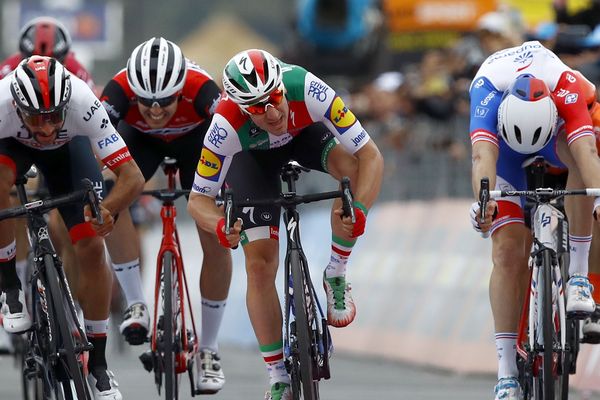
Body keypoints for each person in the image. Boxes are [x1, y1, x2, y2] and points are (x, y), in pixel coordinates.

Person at [187, 49, 384, 400]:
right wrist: (221, 227)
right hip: (252, 161)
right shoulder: (225, 126)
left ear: (282, 85)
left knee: (351, 176)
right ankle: (277, 375)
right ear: (242, 108)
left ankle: (336, 271)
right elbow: (198, 200)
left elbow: (370, 156)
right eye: (258, 107)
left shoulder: (309, 88)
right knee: (259, 264)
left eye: (275, 98)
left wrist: (360, 211)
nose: (272, 112)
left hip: (304, 136)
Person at [0, 56, 144, 400]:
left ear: (67, 105)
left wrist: (107, 211)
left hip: (69, 152)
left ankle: (97, 363)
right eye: (36, 119)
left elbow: (132, 177)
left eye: (54, 117)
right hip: (11, 149)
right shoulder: (2, 103)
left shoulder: (82, 102)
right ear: (18, 109)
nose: (47, 129)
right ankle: (9, 289)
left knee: (92, 246)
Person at [468, 41, 600, 399]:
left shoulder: (566, 85)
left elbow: (587, 150)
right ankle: (506, 373)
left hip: (555, 140)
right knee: (507, 252)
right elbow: (483, 157)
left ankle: (578, 278)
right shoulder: (486, 90)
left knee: (584, 169)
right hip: (506, 153)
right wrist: (483, 204)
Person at [99, 37, 231, 393]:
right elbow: (93, 139)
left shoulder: (202, 89)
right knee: (110, 193)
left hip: (196, 141)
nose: (156, 111)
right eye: (146, 102)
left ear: (181, 89)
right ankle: (136, 304)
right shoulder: (117, 91)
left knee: (216, 233)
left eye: (166, 101)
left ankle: (209, 350)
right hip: (141, 142)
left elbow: (233, 135)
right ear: (133, 92)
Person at [0, 15, 97, 353]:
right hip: (17, 144)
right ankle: (13, 287)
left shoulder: (78, 79)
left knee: (75, 225)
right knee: (8, 202)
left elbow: (98, 141)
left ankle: (73, 307)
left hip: (65, 147)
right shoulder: (6, 78)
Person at [0, 16, 95, 90]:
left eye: (51, 65)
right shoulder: (9, 66)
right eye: (35, 62)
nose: (42, 71)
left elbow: (91, 95)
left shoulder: (74, 67)